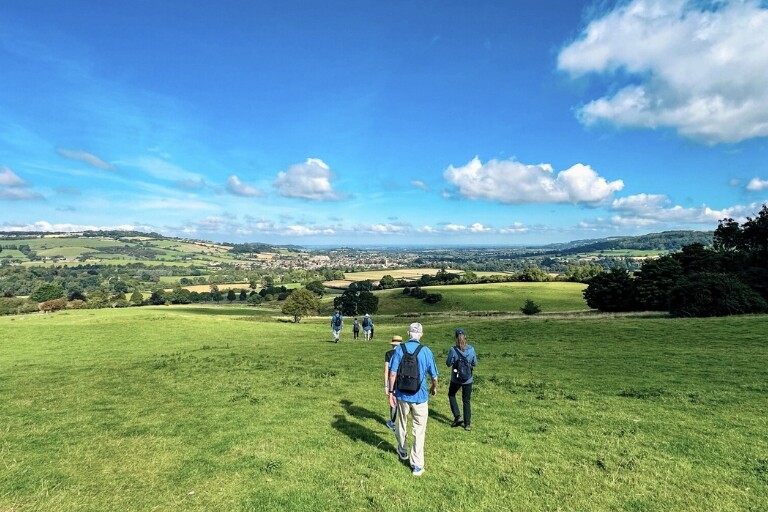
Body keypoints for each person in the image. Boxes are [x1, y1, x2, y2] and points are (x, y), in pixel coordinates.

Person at [388, 322, 439, 477]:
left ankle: (402, 451)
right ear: (421, 335)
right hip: (420, 396)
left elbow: (392, 373)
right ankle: (417, 465)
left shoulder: (399, 350)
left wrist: (391, 392)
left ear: (408, 333)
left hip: (402, 394)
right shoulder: (426, 351)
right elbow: (435, 376)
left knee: (402, 424)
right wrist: (434, 387)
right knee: (419, 430)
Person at [445, 328, 477, 431]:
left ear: (455, 338)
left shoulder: (453, 350)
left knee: (451, 394)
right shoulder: (471, 349)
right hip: (468, 379)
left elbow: (448, 363)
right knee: (466, 400)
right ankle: (467, 424)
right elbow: (474, 363)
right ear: (465, 337)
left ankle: (458, 416)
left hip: (456, 379)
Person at [384, 335, 402, 430]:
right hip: (402, 380)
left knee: (393, 402)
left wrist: (386, 385)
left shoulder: (388, 354)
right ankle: (402, 422)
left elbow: (386, 370)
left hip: (393, 380)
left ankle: (392, 422)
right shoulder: (405, 352)